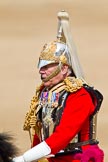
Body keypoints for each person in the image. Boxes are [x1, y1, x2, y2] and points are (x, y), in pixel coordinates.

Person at [13, 11, 104, 162]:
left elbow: (64, 135)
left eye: (48, 66)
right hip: (52, 157)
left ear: (63, 69)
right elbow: (39, 129)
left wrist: (25, 158)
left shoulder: (79, 95)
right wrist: (34, 157)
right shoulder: (45, 91)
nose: (41, 70)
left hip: (77, 158)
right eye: (41, 65)